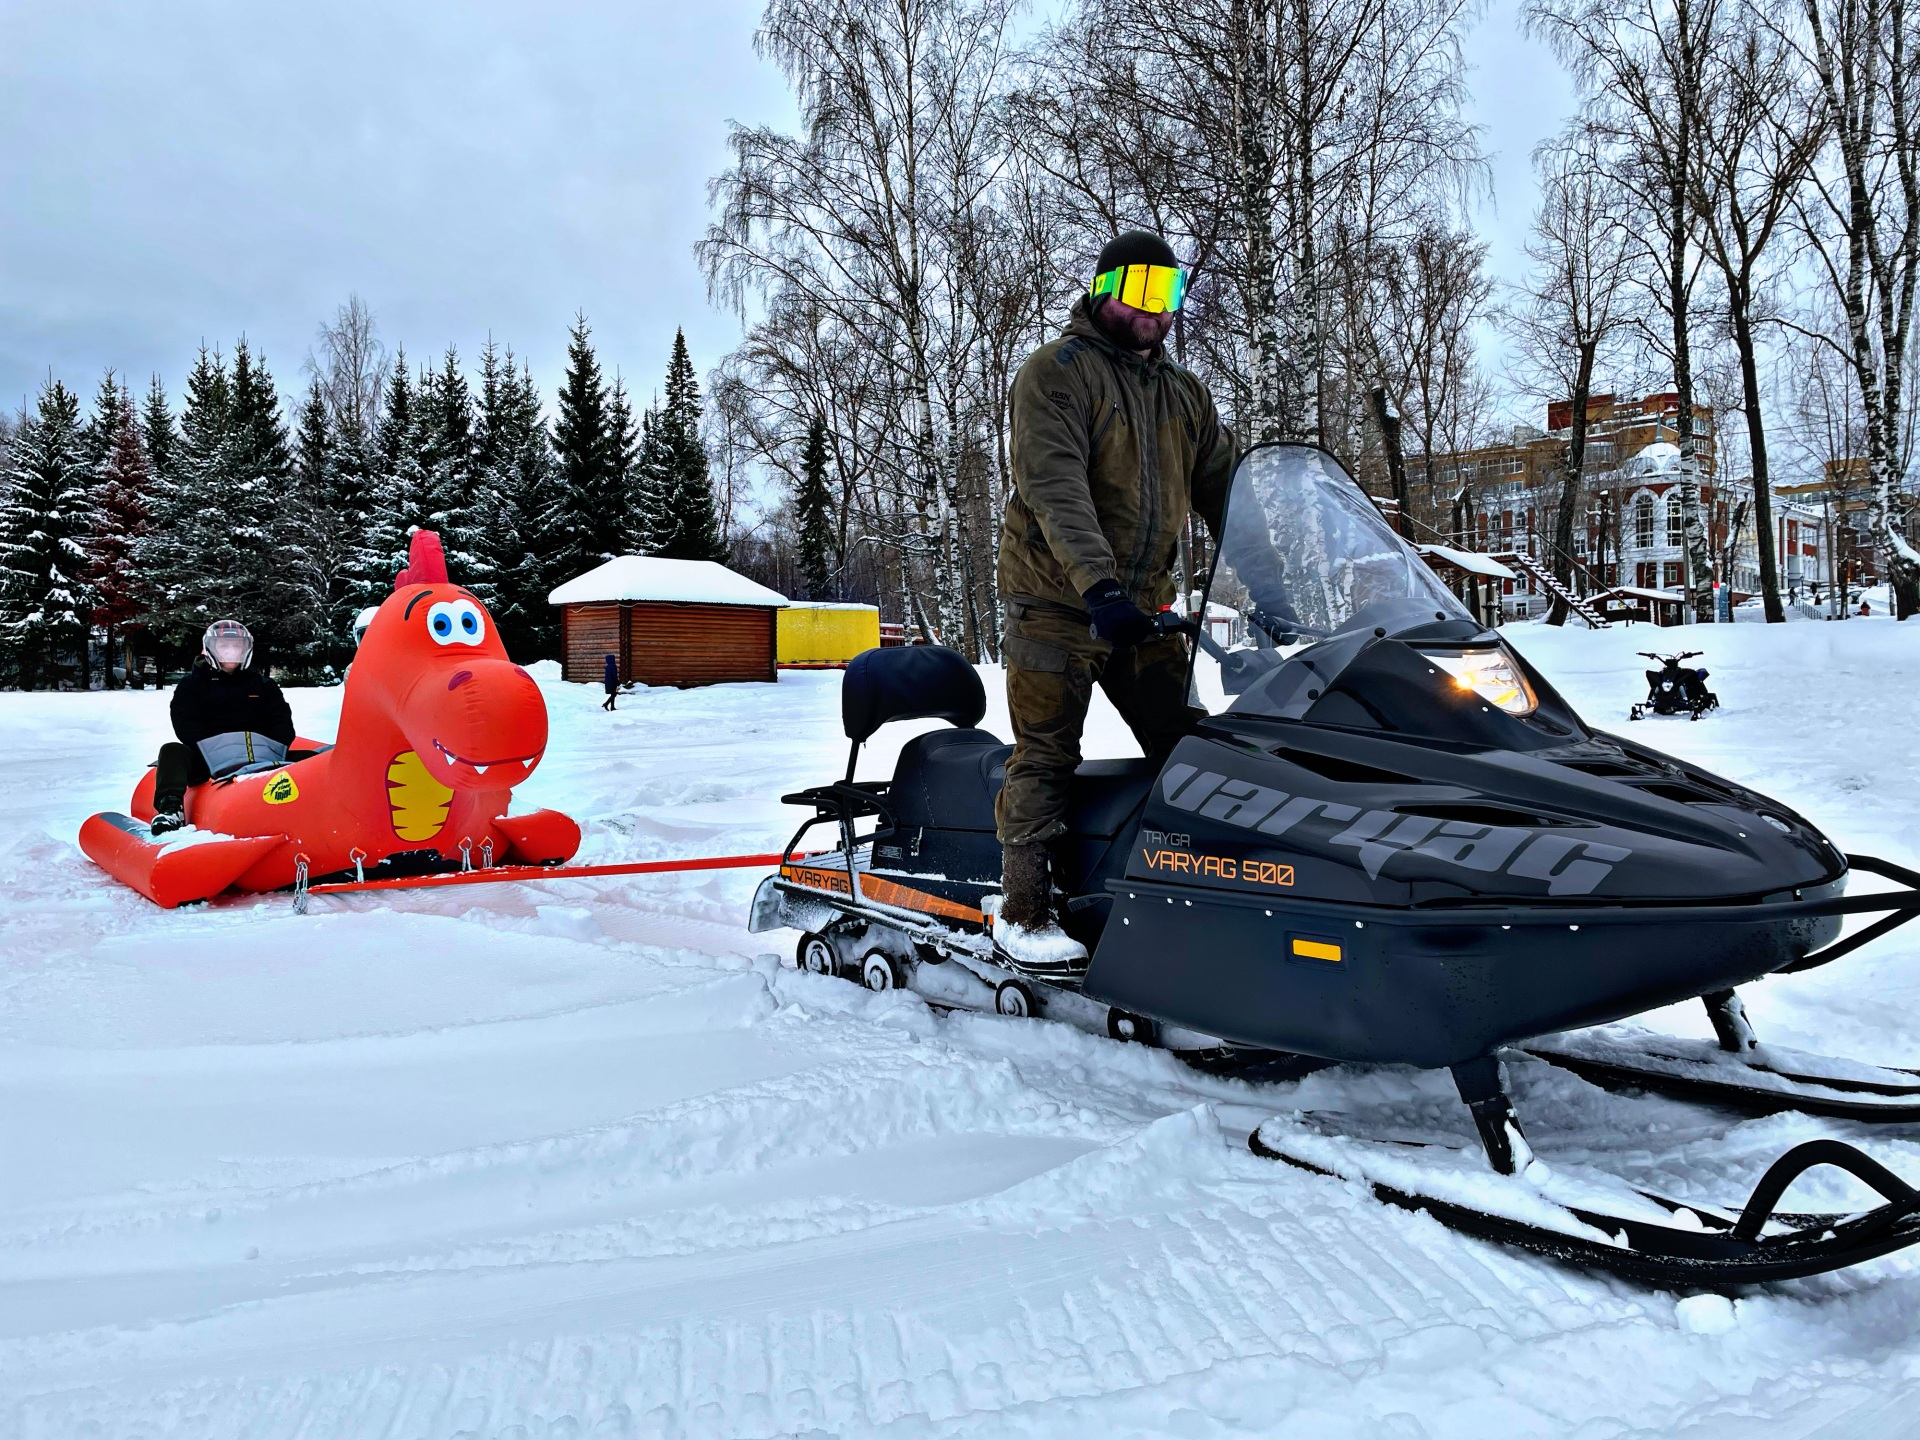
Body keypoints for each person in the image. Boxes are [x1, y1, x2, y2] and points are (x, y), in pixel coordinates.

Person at [992, 229, 1236, 977]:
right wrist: (1097, 587)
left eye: (1168, 294)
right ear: (1104, 290)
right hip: (1056, 603)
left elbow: (1230, 490)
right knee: (1048, 752)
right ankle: (1023, 911)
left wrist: (1290, 572)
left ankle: (1193, 896)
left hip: (1142, 613)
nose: (1155, 310)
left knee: (1188, 747)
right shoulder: (1057, 374)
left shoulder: (1182, 393)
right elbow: (1054, 487)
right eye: (1139, 291)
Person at [149, 620, 296, 835]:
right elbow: (186, 724)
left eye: (236, 646)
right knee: (172, 750)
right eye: (224, 646)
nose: (231, 652)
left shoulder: (264, 685)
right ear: (211, 648)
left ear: (246, 649)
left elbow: (282, 723)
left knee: (314, 757)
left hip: (259, 756)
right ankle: (171, 809)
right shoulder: (191, 685)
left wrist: (265, 748)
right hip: (209, 760)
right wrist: (219, 750)